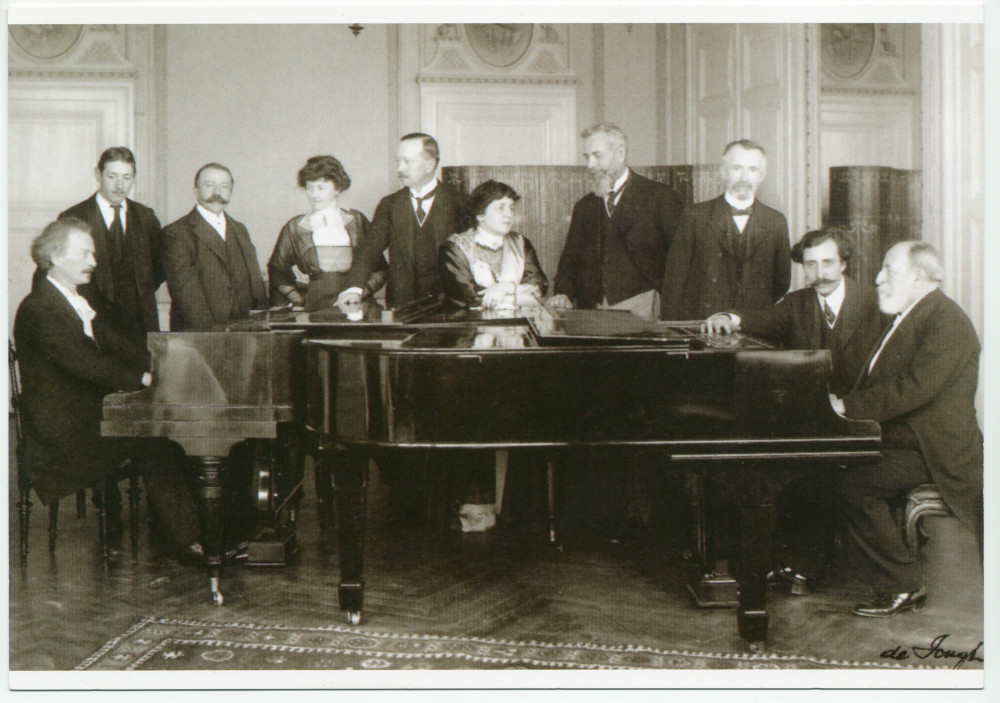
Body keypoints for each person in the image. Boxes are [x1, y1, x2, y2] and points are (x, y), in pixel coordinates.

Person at [704, 228, 889, 590]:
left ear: (845, 263)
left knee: (817, 470)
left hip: (863, 413)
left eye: (828, 263)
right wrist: (730, 316)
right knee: (782, 466)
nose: (819, 273)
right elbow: (764, 319)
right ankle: (793, 560)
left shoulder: (874, 303)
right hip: (816, 416)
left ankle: (805, 562)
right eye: (810, 265)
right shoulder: (798, 303)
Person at [13, 218, 202, 561]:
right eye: (85, 253)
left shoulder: (74, 298)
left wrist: (161, 362)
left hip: (86, 415)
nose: (93, 262)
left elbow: (117, 345)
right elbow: (84, 363)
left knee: (163, 432)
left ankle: (186, 531)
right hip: (61, 434)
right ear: (56, 256)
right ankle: (188, 541)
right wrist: (142, 380)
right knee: (153, 439)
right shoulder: (39, 308)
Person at [829, 241, 982, 617]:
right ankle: (807, 566)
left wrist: (846, 407)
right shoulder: (915, 312)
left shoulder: (947, 319)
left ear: (916, 277)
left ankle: (903, 585)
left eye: (888, 270)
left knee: (853, 483)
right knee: (835, 463)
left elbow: (914, 388)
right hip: (910, 436)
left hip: (934, 447)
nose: (879, 279)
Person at [550, 123, 683, 320]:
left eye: (597, 156)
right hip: (591, 314)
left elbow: (681, 262)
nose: (590, 165)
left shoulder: (660, 198)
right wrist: (563, 293)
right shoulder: (584, 207)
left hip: (645, 310)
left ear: (620, 153)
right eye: (587, 157)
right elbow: (569, 264)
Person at [660, 139, 791, 320]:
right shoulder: (696, 216)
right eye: (737, 168)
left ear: (762, 175)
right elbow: (675, 281)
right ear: (723, 172)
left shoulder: (776, 221)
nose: (744, 178)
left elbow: (781, 282)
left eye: (752, 170)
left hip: (752, 324)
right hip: (703, 323)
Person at [336, 133, 463, 309]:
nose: (400, 168)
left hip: (450, 307)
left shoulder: (460, 203)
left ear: (430, 164)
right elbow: (370, 249)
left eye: (408, 161)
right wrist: (354, 288)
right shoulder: (390, 204)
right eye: (398, 161)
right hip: (401, 306)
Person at [59, 146, 165, 346]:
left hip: (140, 328)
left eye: (127, 178)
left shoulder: (146, 217)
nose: (119, 186)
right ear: (98, 174)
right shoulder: (74, 217)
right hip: (93, 326)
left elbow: (158, 269)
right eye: (112, 177)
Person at [267, 155, 387, 311]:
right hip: (316, 305)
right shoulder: (295, 227)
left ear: (337, 188)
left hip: (357, 305)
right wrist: (299, 299)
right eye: (310, 188)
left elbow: (380, 268)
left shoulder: (356, 221)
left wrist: (360, 292)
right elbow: (277, 270)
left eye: (321, 188)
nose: (314, 194)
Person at [161, 162, 268, 331]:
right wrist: (214, 337)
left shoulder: (240, 229)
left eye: (224, 186)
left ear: (231, 192)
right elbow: (186, 294)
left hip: (246, 334)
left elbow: (256, 284)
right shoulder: (176, 233)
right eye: (209, 185)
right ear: (196, 191)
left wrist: (260, 327)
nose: (217, 193)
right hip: (201, 336)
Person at [439, 179, 547, 308]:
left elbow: (538, 288)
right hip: (472, 324)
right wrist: (522, 298)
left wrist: (505, 288)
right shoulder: (455, 248)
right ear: (480, 214)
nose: (509, 214)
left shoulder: (521, 243)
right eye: (501, 208)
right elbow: (469, 298)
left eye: (511, 208)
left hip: (520, 324)